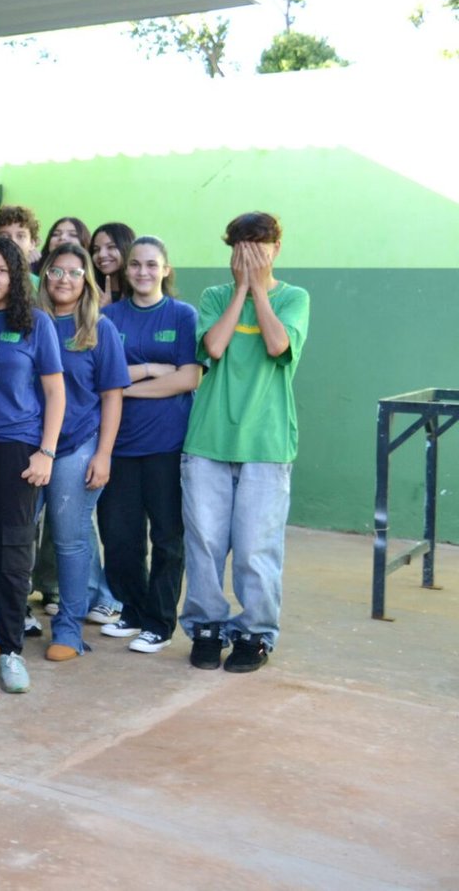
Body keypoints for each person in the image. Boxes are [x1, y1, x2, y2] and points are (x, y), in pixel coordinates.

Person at [180, 213, 308, 673]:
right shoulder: (215, 296)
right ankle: (207, 628)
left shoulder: (294, 298)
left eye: (260, 245)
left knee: (256, 546)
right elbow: (213, 347)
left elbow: (278, 346)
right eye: (241, 247)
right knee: (205, 544)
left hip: (267, 445)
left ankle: (256, 634)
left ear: (277, 247)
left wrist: (258, 289)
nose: (251, 255)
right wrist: (239, 289)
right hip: (208, 441)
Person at [0, 236, 64, 695]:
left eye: (1, 271)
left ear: (17, 276)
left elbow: (56, 393)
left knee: (14, 551)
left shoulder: (36, 323)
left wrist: (47, 451)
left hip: (19, 448)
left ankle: (11, 650)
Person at [98, 236, 200, 654]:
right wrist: (146, 370)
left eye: (151, 265)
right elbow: (100, 373)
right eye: (136, 264)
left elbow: (188, 378)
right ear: (127, 270)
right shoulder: (109, 317)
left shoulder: (182, 315)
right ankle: (133, 610)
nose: (143, 272)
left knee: (167, 536)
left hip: (166, 445)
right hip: (117, 445)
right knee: (120, 537)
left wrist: (123, 389)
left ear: (166, 270)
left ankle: (159, 621)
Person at [34, 243, 129, 661]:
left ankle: (69, 628)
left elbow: (112, 396)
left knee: (70, 539)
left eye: (75, 273)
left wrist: (103, 453)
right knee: (16, 536)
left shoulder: (98, 328)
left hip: (76, 445)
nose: (65, 280)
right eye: (57, 271)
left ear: (86, 280)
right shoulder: (30, 322)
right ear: (45, 276)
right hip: (28, 446)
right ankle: (6, 617)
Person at [90, 222, 136, 308]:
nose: (101, 254)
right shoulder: (89, 292)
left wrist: (110, 310)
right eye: (96, 250)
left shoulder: (139, 292)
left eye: (111, 247)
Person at [0, 204, 42, 276]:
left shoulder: (38, 285)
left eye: (20, 236)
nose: (13, 241)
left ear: (32, 243)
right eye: (4, 236)